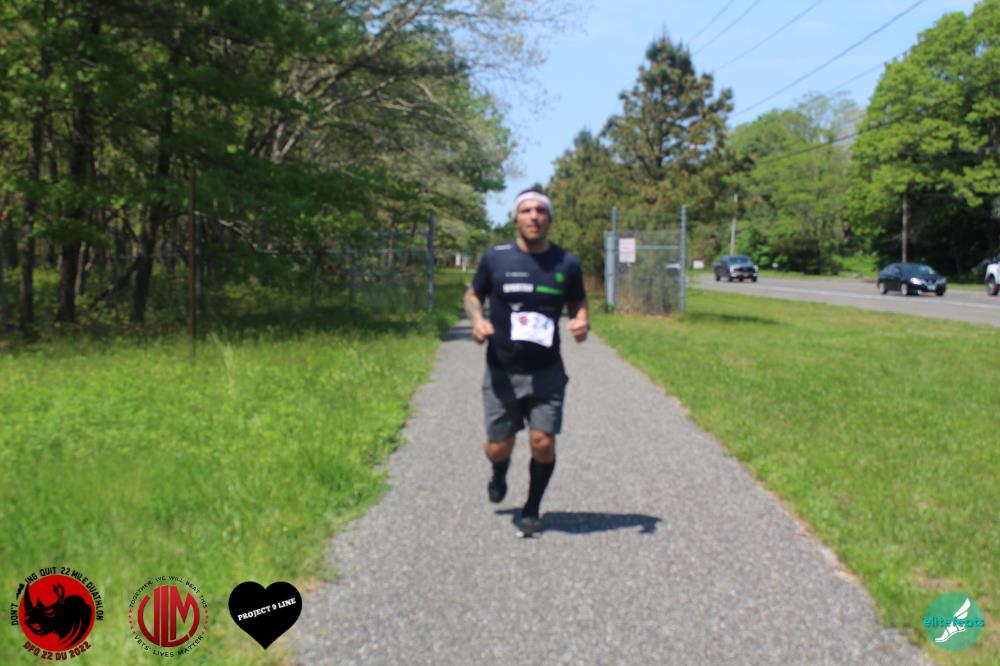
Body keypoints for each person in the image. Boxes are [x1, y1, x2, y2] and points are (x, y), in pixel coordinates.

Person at [463, 187, 589, 536]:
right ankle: (499, 471)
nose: (534, 216)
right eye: (526, 210)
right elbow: (473, 294)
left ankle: (532, 507)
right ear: (516, 218)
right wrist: (477, 320)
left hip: (547, 371)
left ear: (550, 219)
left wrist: (581, 319)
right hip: (502, 370)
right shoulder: (496, 258)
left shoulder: (566, 263)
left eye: (540, 211)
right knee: (499, 446)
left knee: (543, 442)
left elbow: (578, 301)